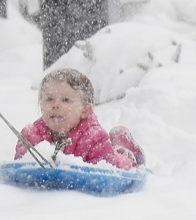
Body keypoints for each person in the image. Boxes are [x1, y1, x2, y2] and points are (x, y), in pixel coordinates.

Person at [14, 69, 144, 170]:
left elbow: (104, 171)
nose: (56, 105)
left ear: (85, 110)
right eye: (49, 99)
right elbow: (20, 167)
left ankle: (124, 147)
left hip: (116, 162)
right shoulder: (31, 135)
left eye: (65, 100)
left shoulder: (94, 137)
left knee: (121, 156)